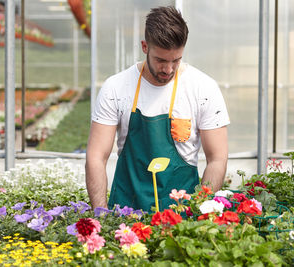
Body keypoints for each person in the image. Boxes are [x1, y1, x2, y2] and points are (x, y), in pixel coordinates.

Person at [85, 6, 230, 212]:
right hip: (126, 213)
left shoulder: (203, 88)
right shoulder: (116, 87)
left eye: (176, 60)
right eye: (161, 60)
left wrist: (200, 212)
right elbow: (96, 156)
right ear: (145, 47)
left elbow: (217, 159)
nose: (168, 69)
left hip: (182, 215)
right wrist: (101, 214)